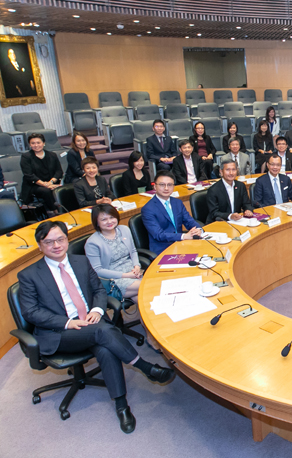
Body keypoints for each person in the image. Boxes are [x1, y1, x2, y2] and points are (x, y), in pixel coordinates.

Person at [18, 221, 174, 433]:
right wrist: (68, 322)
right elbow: (31, 312)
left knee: (106, 347)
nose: (56, 245)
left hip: (91, 321)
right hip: (60, 332)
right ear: (40, 245)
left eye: (60, 239)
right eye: (49, 242)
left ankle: (122, 407)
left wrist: (97, 311)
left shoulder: (81, 262)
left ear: (67, 239)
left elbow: (99, 291)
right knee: (104, 332)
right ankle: (145, 367)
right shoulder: (29, 275)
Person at [85, 204, 142, 304]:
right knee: (150, 285)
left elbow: (133, 251)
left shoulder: (124, 229)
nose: (109, 222)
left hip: (134, 273)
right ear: (96, 222)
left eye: (112, 217)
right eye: (104, 219)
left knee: (142, 300)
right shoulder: (92, 243)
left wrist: (137, 266)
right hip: (113, 279)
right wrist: (126, 275)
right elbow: (97, 270)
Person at [141, 171, 202, 254]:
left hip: (181, 245)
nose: (166, 188)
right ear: (155, 186)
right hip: (162, 250)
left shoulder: (177, 203)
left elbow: (189, 221)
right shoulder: (148, 209)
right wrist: (183, 236)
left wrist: (198, 229)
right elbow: (158, 234)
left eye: (169, 185)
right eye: (162, 185)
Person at [20, 133, 63, 215]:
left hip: (51, 183)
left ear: (43, 143)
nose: (36, 145)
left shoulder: (52, 155)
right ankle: (55, 212)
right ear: (29, 144)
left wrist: (51, 182)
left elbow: (59, 171)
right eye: (33, 143)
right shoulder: (26, 157)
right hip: (33, 185)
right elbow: (29, 175)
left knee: (65, 188)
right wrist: (44, 184)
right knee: (46, 191)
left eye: (38, 142)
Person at [206, 160, 255, 224]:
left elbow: (246, 204)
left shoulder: (241, 186)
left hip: (236, 221)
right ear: (221, 171)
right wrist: (230, 216)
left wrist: (248, 210)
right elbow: (214, 212)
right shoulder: (213, 190)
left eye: (233, 169)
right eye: (228, 170)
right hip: (218, 223)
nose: (231, 173)